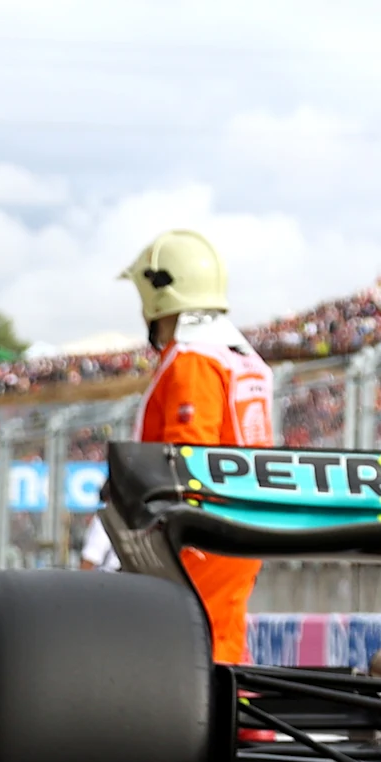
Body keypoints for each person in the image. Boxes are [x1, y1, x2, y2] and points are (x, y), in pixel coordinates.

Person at [118, 228, 276, 662]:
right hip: (238, 521)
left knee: (190, 649)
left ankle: (216, 726)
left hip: (200, 531)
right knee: (222, 639)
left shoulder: (194, 359)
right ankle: (239, 725)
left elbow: (188, 453)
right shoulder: (240, 356)